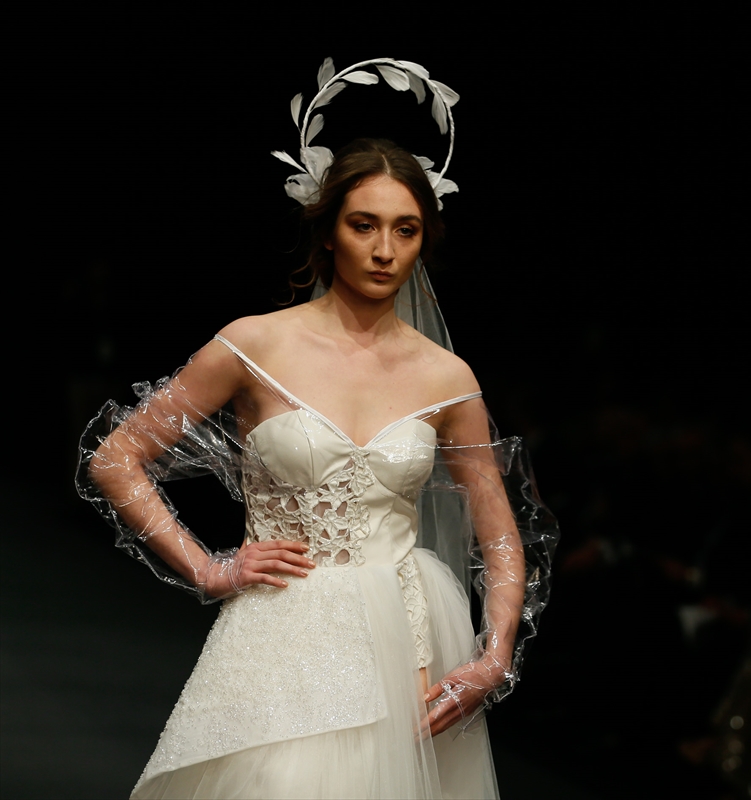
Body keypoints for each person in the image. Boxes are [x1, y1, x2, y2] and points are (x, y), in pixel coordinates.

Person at [78, 62, 555, 799]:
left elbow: (497, 530)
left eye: (405, 230)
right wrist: (207, 567)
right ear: (328, 229)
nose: (384, 250)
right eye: (364, 225)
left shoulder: (446, 377)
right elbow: (116, 457)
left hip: (408, 642)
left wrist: (494, 657)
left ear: (424, 241)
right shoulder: (255, 344)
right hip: (281, 633)